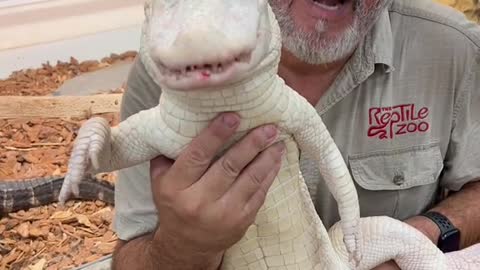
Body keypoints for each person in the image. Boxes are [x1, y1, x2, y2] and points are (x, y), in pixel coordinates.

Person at [111, 0, 480, 269]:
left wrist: (416, 242)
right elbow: (132, 248)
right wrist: (183, 247)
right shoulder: (172, 67)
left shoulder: (455, 49)